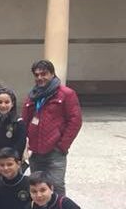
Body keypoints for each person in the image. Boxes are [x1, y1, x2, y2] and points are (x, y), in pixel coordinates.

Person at [20, 60, 82, 195]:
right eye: (36, 75)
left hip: (55, 150)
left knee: (56, 185)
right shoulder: (33, 95)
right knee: (37, 186)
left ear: (52, 74)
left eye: (44, 74)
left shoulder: (66, 94)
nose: (40, 78)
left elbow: (75, 121)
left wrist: (62, 145)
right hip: (35, 151)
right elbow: (25, 120)